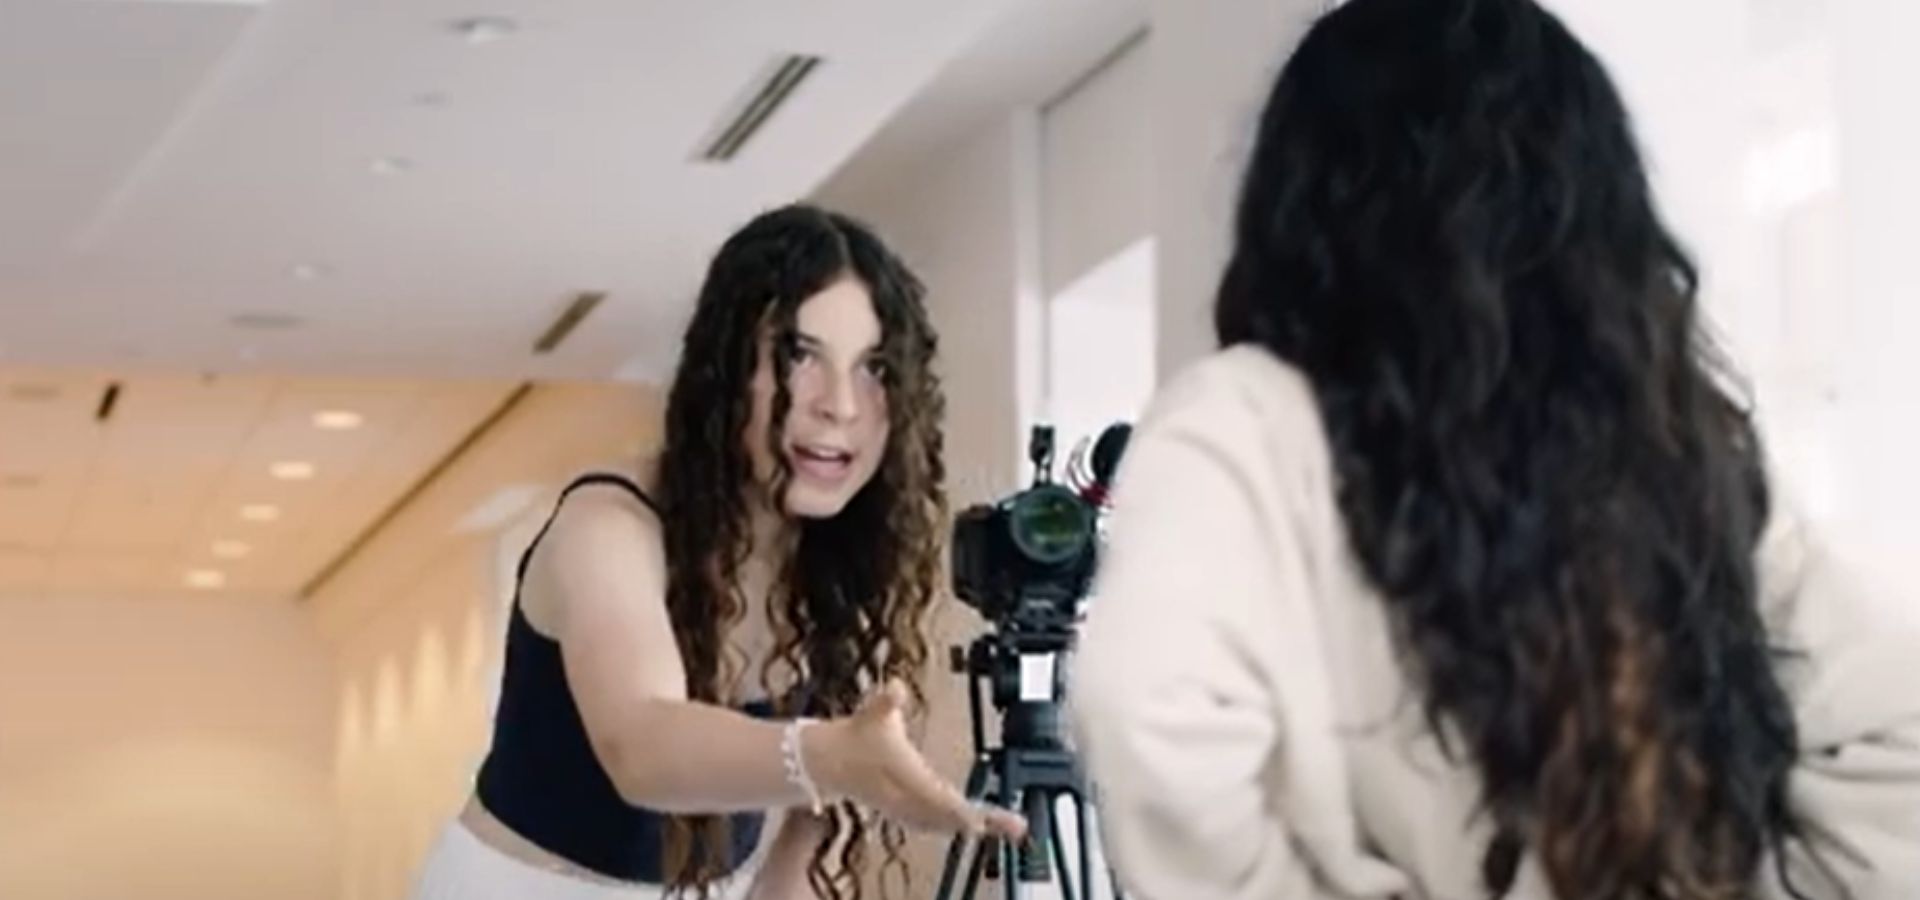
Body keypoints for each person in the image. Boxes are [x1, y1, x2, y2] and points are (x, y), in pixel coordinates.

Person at [1069, 1, 1920, 899]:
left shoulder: (1247, 421)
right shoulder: (1674, 454)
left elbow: (1145, 710)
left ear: (1300, 199)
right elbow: (1897, 730)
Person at [412, 204, 1025, 900]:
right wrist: (829, 756)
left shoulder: (838, 570)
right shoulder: (609, 526)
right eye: (801, 356)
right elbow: (641, 748)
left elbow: (792, 860)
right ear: (727, 371)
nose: (840, 405)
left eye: (873, 368)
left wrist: (840, 767)